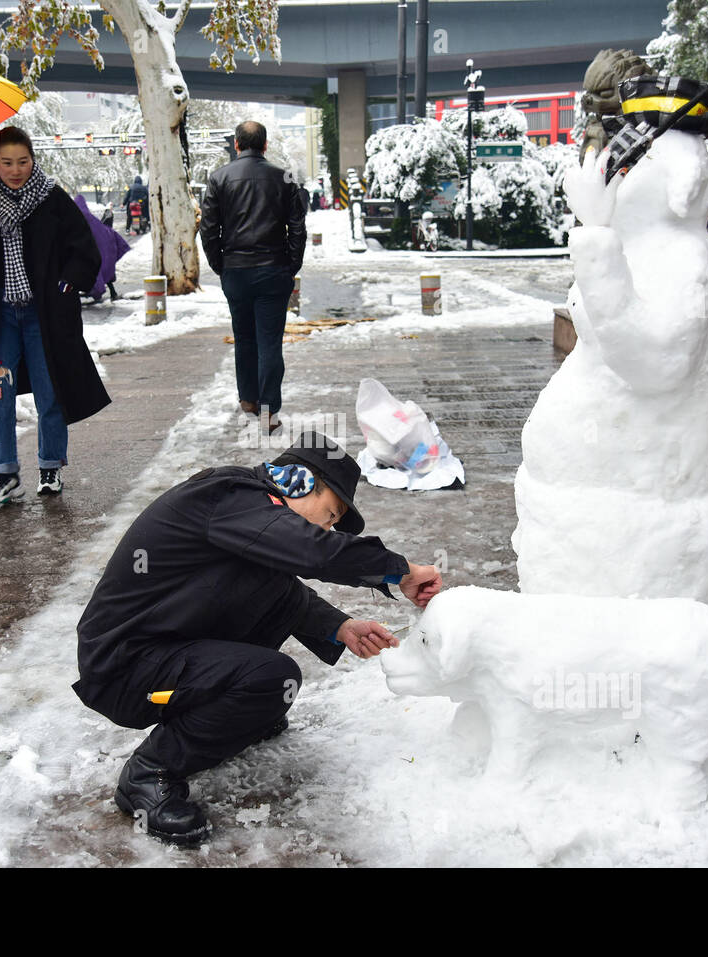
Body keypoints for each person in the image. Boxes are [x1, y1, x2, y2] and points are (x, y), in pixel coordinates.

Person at [72, 431, 443, 844]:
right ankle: (148, 774)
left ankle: (229, 718)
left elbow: (280, 590)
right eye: (332, 512)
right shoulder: (228, 496)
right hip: (124, 667)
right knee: (269, 677)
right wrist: (402, 570)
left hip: (158, 654)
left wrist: (341, 627)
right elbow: (314, 552)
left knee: (266, 669)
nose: (330, 525)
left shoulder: (246, 519)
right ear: (297, 480)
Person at [0, 126, 109, 503]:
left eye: (22, 161)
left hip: (45, 316)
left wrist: (69, 283)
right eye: (6, 162)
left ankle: (50, 467)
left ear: (33, 160)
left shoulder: (51, 198)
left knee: (49, 390)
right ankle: (3, 473)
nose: (15, 169)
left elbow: (85, 248)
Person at [200, 120, 307, 435]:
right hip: (273, 269)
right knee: (269, 341)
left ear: (236, 144)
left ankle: (247, 399)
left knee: (244, 337)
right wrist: (292, 266)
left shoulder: (219, 178)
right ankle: (269, 411)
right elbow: (297, 227)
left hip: (236, 270)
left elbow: (208, 229)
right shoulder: (283, 177)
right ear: (265, 145)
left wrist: (220, 265)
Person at [74, 193, 130, 302]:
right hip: (100, 253)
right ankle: (113, 293)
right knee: (104, 266)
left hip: (85, 255)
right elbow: (104, 232)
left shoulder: (74, 218)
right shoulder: (91, 218)